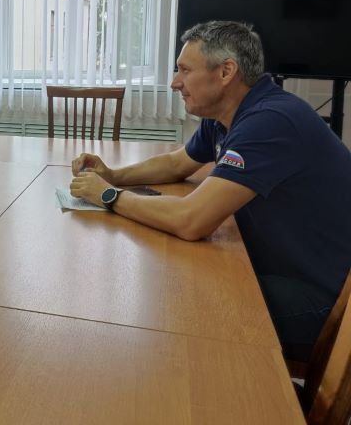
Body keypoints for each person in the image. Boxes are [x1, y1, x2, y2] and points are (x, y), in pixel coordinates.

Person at [69, 20, 351, 362]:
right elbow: (177, 163)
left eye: (185, 70)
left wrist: (109, 196)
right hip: (283, 270)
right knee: (175, 283)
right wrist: (112, 175)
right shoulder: (228, 116)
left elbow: (191, 220)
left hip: (321, 300)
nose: (175, 83)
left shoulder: (270, 121)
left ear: (226, 72)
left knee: (182, 315)